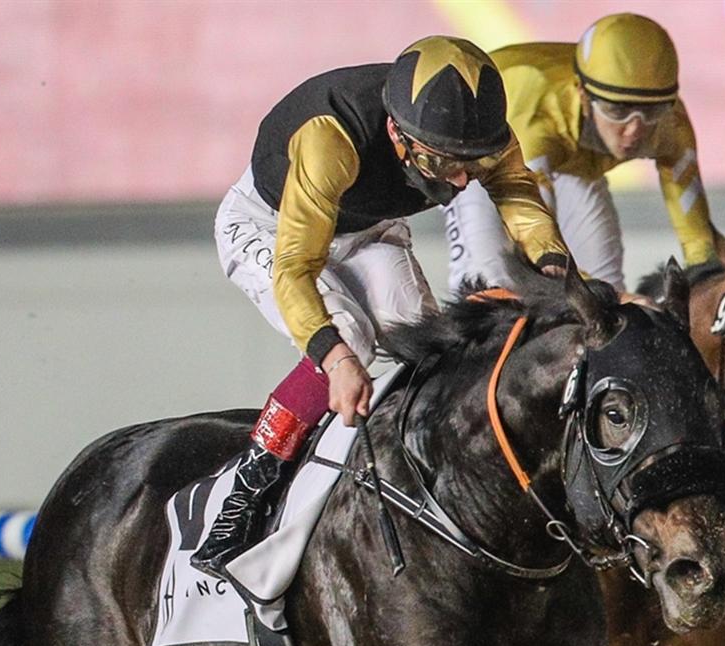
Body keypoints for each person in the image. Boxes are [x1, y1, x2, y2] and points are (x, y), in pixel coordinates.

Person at [196, 36, 571, 576]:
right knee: (349, 335)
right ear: (397, 131)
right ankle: (248, 487)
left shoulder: (471, 134)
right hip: (272, 230)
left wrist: (553, 263)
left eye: (470, 161)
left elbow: (514, 187)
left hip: (367, 229)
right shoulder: (331, 137)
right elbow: (296, 268)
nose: (463, 179)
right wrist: (338, 360)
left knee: (426, 347)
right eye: (445, 162)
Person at [443, 12, 714, 294]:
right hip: (492, 160)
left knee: (606, 284)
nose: (635, 130)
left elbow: (699, 246)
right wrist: (617, 299)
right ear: (584, 97)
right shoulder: (539, 119)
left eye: (651, 112)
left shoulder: (672, 123)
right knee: (494, 285)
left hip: (570, 157)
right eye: (617, 111)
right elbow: (534, 242)